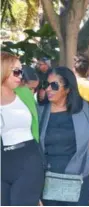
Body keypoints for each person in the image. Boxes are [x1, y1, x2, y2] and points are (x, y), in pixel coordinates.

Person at [38, 67, 89, 206]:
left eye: (54, 85)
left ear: (68, 89)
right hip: (47, 182)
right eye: (46, 84)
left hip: (79, 182)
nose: (48, 89)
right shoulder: (40, 111)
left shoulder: (84, 109)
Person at [1, 52, 45, 206]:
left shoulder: (24, 93)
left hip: (28, 158)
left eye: (21, 71)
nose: (21, 76)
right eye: (16, 71)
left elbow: (35, 128)